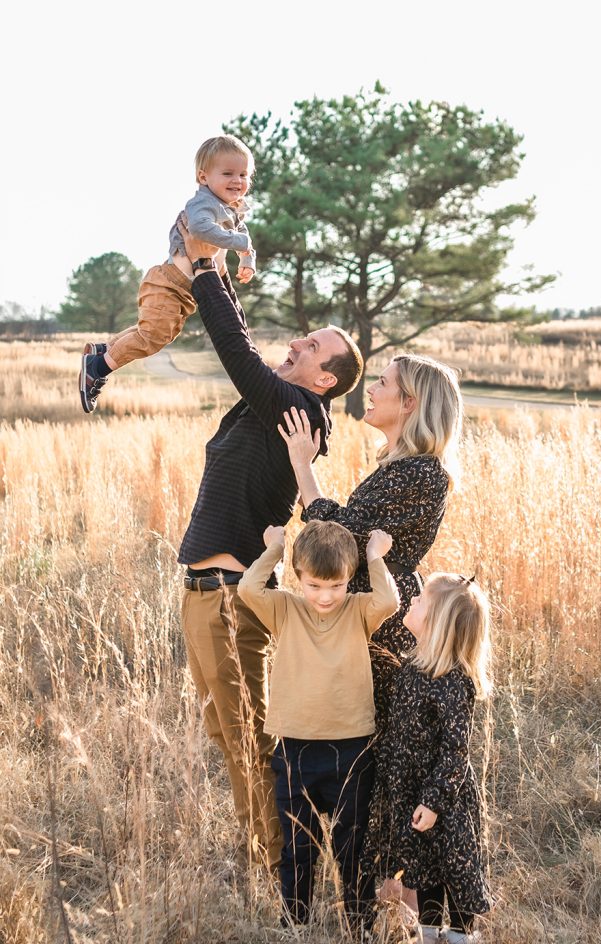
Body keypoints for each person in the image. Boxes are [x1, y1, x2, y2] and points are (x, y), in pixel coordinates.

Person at [168, 223, 364, 872]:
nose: (295, 344)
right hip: (203, 596)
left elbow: (234, 349)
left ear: (325, 380)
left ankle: (282, 874)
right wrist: (219, 266)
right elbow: (248, 347)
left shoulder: (301, 412)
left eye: (309, 347)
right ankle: (263, 854)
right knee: (225, 733)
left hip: (229, 602)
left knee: (248, 738)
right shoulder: (276, 404)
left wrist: (202, 268)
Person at [278, 353, 463, 731]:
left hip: (384, 614)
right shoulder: (400, 466)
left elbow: (346, 537)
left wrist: (303, 467)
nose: (372, 390)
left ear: (409, 403)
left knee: (373, 730)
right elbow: (353, 527)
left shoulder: (423, 472)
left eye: (382, 382)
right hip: (367, 602)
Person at [237, 520, 399, 928]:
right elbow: (247, 589)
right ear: (298, 578)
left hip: (351, 750)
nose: (325, 597)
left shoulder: (360, 609)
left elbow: (390, 600)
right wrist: (274, 548)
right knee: (297, 847)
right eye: (314, 586)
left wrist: (375, 558)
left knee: (352, 847)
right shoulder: (286, 609)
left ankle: (359, 926)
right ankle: (296, 923)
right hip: (295, 749)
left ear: (349, 579)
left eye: (336, 586)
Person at [79, 134, 257, 413]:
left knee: (156, 335)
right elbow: (200, 230)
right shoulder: (203, 204)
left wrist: (247, 257)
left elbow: (241, 233)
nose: (238, 180)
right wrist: (241, 244)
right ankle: (96, 368)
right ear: (203, 177)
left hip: (185, 291)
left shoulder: (231, 208)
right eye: (228, 173)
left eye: (244, 174)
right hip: (169, 283)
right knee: (152, 337)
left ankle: (104, 351)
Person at [362, 573, 493, 944]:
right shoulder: (412, 666)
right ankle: (431, 931)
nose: (412, 601)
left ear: (436, 623)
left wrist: (433, 802)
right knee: (424, 866)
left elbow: (455, 753)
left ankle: (462, 934)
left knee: (455, 865)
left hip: (444, 798)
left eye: (419, 600)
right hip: (411, 788)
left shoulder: (453, 681)